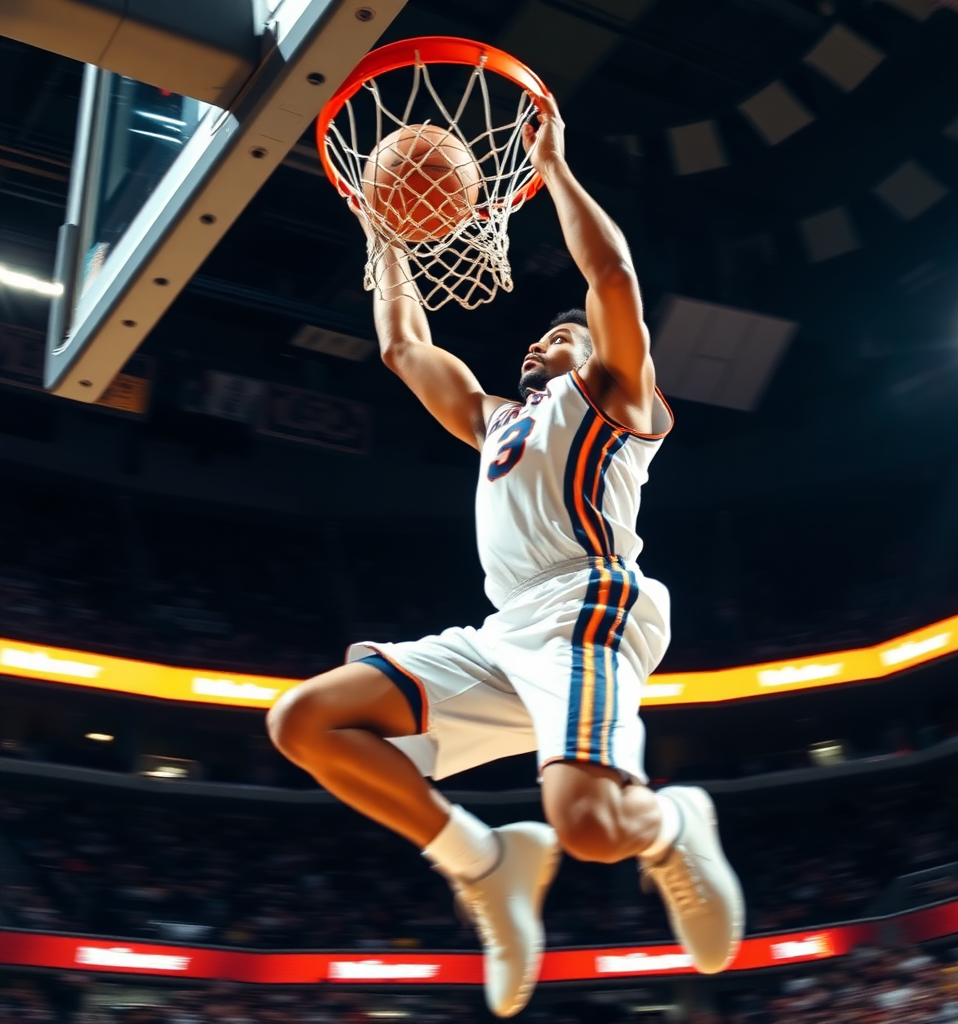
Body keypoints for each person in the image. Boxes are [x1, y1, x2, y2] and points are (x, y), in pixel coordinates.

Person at [266, 92, 744, 1017]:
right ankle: (483, 863)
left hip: (589, 611)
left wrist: (554, 167)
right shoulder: (494, 420)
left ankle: (672, 821)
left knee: (595, 832)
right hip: (504, 636)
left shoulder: (617, 400)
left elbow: (611, 276)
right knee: (305, 722)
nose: (542, 339)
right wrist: (385, 234)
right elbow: (406, 346)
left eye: (557, 334)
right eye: (541, 334)